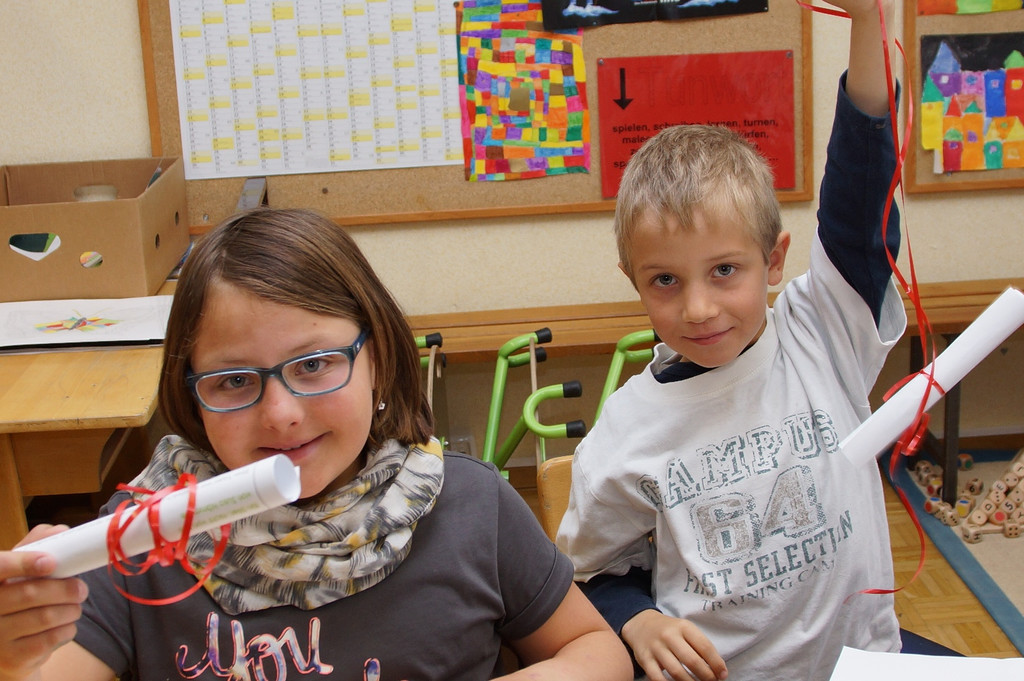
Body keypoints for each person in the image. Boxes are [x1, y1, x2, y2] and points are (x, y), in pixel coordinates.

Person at [0, 208, 633, 681]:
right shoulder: (141, 536)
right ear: (191, 395)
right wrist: (14, 655)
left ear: (376, 360)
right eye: (234, 380)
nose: (281, 416)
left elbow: (596, 650)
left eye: (313, 365)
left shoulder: (471, 506)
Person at [556, 0, 905, 679]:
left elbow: (861, 187)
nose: (698, 308)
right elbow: (588, 576)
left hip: (866, 666)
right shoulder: (626, 430)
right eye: (664, 280)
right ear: (633, 281)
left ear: (773, 262)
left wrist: (868, 20)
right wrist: (638, 619)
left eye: (724, 270)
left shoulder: (822, 332)